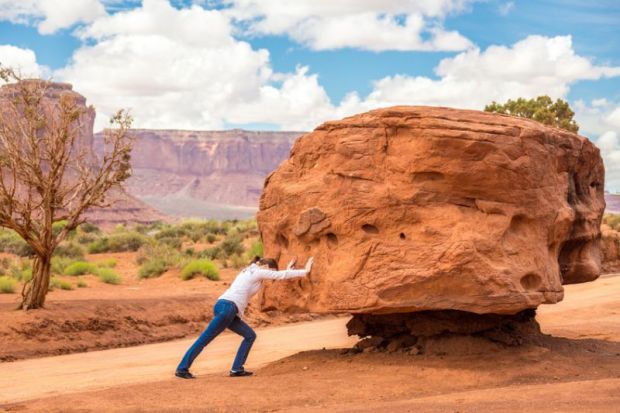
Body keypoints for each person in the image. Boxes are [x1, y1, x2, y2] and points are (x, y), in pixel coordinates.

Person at [175, 255, 314, 379]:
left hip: (224, 307)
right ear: (266, 267)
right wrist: (305, 271)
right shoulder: (258, 272)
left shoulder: (250, 270)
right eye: (271, 271)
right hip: (228, 308)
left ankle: (237, 369)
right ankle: (182, 369)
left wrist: (289, 269)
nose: (270, 275)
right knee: (204, 340)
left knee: (250, 335)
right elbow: (279, 275)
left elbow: (278, 275)